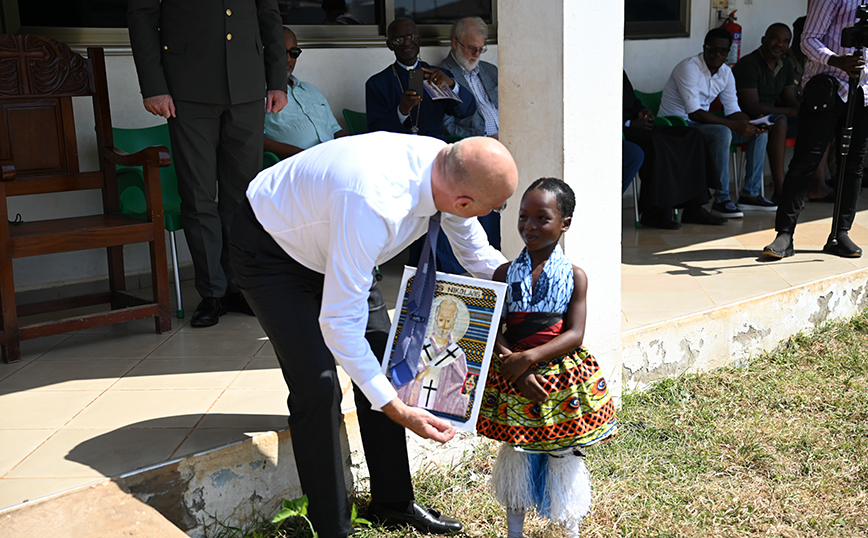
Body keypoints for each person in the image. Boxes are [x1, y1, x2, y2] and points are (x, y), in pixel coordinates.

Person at [228, 132, 518, 538]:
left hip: (339, 240)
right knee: (318, 383)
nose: (491, 212)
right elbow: (339, 325)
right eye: (495, 208)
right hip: (272, 247)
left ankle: (392, 502)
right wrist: (396, 408)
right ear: (464, 202)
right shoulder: (376, 201)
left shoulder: (447, 170)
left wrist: (524, 287)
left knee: (387, 363)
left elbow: (473, 249)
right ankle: (332, 527)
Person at [127, 0, 287, 327]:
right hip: (188, 85)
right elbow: (142, 16)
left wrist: (276, 80)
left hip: (247, 84)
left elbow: (268, 16)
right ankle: (212, 292)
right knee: (198, 195)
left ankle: (240, 286)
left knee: (243, 198)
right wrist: (155, 86)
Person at [476, 178, 618, 538]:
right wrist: (516, 367)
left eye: (542, 218)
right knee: (518, 449)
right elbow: (494, 328)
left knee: (563, 450)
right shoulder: (504, 274)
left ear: (564, 223)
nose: (529, 226)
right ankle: (514, 531)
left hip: (559, 375)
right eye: (523, 217)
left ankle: (570, 527)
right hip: (513, 374)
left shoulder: (575, 277)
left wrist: (528, 359)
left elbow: (574, 334)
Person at [763, 0, 867, 259]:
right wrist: (836, 60)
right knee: (805, 162)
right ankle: (784, 235)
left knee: (853, 165)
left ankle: (840, 234)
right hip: (828, 86)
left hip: (864, 93)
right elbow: (808, 40)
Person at [658, 28, 776, 219]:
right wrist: (732, 125)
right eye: (712, 49)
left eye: (723, 51)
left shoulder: (726, 73)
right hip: (676, 125)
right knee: (722, 133)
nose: (717, 55)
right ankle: (721, 200)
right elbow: (695, 113)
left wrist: (748, 123)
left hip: (700, 126)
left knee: (758, 132)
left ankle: (750, 195)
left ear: (728, 52)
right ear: (704, 48)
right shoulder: (689, 68)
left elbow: (732, 110)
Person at [623, 72, 725, 228]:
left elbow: (633, 102)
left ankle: (694, 208)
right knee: (657, 144)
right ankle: (655, 213)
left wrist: (642, 111)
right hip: (623, 131)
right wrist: (629, 123)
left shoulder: (619, 71)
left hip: (640, 126)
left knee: (692, 136)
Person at [365, 18, 476, 140]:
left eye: (411, 37)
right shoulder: (377, 84)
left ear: (419, 39)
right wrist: (401, 111)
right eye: (398, 39)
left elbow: (467, 111)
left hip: (433, 148)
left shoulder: (440, 76)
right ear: (390, 45)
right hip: (397, 150)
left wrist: (451, 85)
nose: (406, 43)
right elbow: (375, 134)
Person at [263, 28, 347, 160]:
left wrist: (351, 148)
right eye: (280, 52)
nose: (288, 59)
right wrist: (302, 155)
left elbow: (336, 130)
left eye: (294, 53)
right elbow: (257, 139)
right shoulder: (259, 94)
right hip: (296, 164)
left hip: (331, 159)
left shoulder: (311, 90)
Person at [395, 296, 470, 417]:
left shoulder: (458, 355)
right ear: (435, 318)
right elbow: (400, 376)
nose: (444, 326)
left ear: (454, 322)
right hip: (412, 406)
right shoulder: (419, 347)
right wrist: (418, 377)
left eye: (448, 321)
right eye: (441, 320)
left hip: (440, 409)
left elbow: (465, 388)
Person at [439, 16, 499, 139]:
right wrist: (485, 139)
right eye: (472, 48)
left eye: (481, 49)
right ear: (455, 43)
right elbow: (447, 127)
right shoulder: (442, 76)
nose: (477, 55)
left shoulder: (491, 70)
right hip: (479, 147)